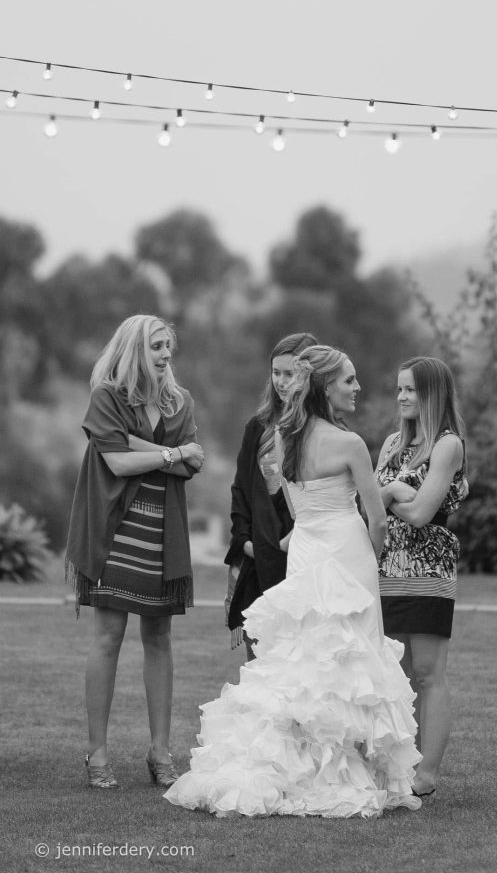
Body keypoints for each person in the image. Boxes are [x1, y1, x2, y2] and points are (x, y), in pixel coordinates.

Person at [165, 345, 422, 818]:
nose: (357, 387)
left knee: (306, 657)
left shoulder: (285, 439)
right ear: (326, 387)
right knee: (352, 658)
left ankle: (297, 763)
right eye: (349, 380)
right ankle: (344, 769)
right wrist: (376, 551)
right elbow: (376, 518)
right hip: (347, 552)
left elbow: (302, 509)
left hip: (306, 550)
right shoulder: (349, 444)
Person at [65, 314, 204, 790]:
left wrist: (152, 451)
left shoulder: (180, 402)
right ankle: (97, 754)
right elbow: (117, 461)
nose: (166, 355)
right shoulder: (107, 395)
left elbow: (194, 464)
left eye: (169, 346)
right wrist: (171, 453)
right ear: (134, 350)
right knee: (108, 635)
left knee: (159, 637)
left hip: (162, 533)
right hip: (113, 529)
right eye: (157, 347)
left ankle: (160, 753)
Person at [375, 356, 468, 798]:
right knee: (395, 671)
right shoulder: (392, 443)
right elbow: (370, 506)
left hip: (428, 568)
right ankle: (397, 763)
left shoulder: (447, 445)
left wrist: (391, 493)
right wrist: (394, 493)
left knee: (429, 673)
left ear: (432, 393)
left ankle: (426, 775)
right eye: (399, 389)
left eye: (410, 389)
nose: (402, 397)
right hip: (385, 567)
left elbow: (421, 513)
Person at [224, 332, 318, 660]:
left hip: (304, 559)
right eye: (275, 372)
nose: (280, 381)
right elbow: (241, 491)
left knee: (302, 664)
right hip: (257, 560)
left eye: (288, 373)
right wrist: (246, 541)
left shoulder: (320, 431)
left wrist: (296, 540)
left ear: (309, 375)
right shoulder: (258, 428)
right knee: (260, 666)